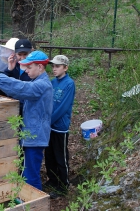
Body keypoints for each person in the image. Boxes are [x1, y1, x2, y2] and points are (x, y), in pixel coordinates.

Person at [0, 51, 53, 190]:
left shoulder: (42, 85)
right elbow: (16, 90)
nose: (26, 70)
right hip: (29, 137)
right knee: (25, 173)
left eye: (29, 67)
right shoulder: (36, 82)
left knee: (31, 177)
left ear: (40, 67)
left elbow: (22, 88)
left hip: (34, 139)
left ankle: (33, 204)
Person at [44, 55, 76, 199]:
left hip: (60, 128)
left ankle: (63, 186)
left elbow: (63, 107)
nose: (54, 69)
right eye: (53, 66)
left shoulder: (69, 84)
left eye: (57, 66)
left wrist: (48, 121)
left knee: (60, 157)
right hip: (49, 126)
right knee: (49, 156)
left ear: (65, 67)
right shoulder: (52, 82)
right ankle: (53, 180)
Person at [4, 39, 33, 115]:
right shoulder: (12, 67)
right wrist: (9, 69)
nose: (22, 58)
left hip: (28, 110)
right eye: (20, 55)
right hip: (12, 108)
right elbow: (2, 86)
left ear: (30, 53)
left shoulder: (34, 70)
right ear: (15, 54)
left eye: (25, 54)